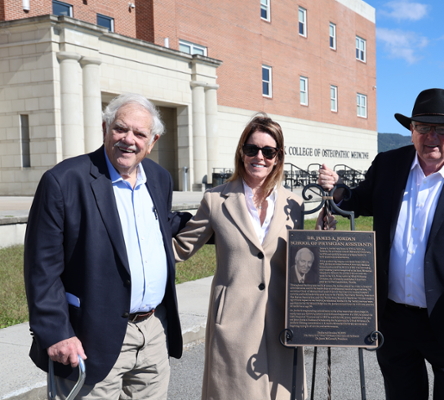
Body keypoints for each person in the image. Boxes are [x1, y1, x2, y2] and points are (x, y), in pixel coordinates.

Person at [318, 88, 444, 399]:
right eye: (423, 127)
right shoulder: (389, 165)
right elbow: (359, 201)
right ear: (411, 130)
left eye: (442, 128)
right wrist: (337, 191)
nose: (432, 136)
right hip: (393, 319)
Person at [24, 93, 191, 398]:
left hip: (154, 331)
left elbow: (163, 224)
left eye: (139, 134)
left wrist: (222, 223)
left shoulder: (158, 178)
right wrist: (57, 333)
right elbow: (41, 268)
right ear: (105, 128)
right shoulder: (63, 181)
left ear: (152, 142)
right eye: (121, 129)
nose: (129, 140)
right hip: (90, 336)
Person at [173, 113, 333, 399]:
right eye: (252, 149)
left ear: (278, 157)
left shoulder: (293, 205)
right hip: (233, 324)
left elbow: (304, 263)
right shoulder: (215, 200)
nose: (259, 156)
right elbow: (180, 248)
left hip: (282, 323)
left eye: (268, 151)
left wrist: (323, 233)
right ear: (241, 152)